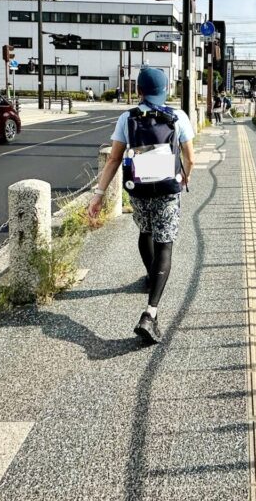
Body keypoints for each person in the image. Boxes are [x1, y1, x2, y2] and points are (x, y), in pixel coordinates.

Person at [88, 68, 195, 344]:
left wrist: (98, 195)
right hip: (167, 189)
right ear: (166, 90)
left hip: (139, 189)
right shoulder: (178, 116)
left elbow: (113, 159)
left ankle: (150, 275)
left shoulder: (128, 117)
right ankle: (150, 313)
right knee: (165, 244)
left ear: (139, 91)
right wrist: (185, 177)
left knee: (145, 231)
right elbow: (190, 158)